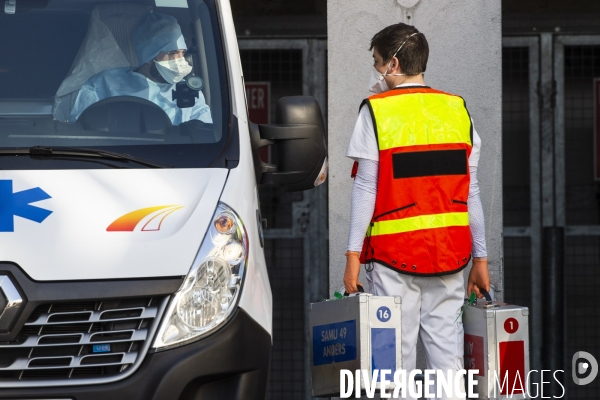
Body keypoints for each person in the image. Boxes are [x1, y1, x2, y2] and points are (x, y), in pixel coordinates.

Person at [344, 23, 490, 399]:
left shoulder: (375, 112)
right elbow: (470, 191)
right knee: (448, 364)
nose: (376, 73)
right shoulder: (457, 110)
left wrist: (352, 257)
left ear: (393, 64)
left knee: (394, 367)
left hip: (394, 260)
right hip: (451, 257)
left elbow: (365, 189)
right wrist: (482, 258)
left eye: (378, 64)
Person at [70, 12, 211, 125]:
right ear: (149, 56)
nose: (179, 61)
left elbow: (204, 133)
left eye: (182, 53)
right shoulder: (102, 84)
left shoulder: (189, 93)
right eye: (172, 54)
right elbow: (82, 130)